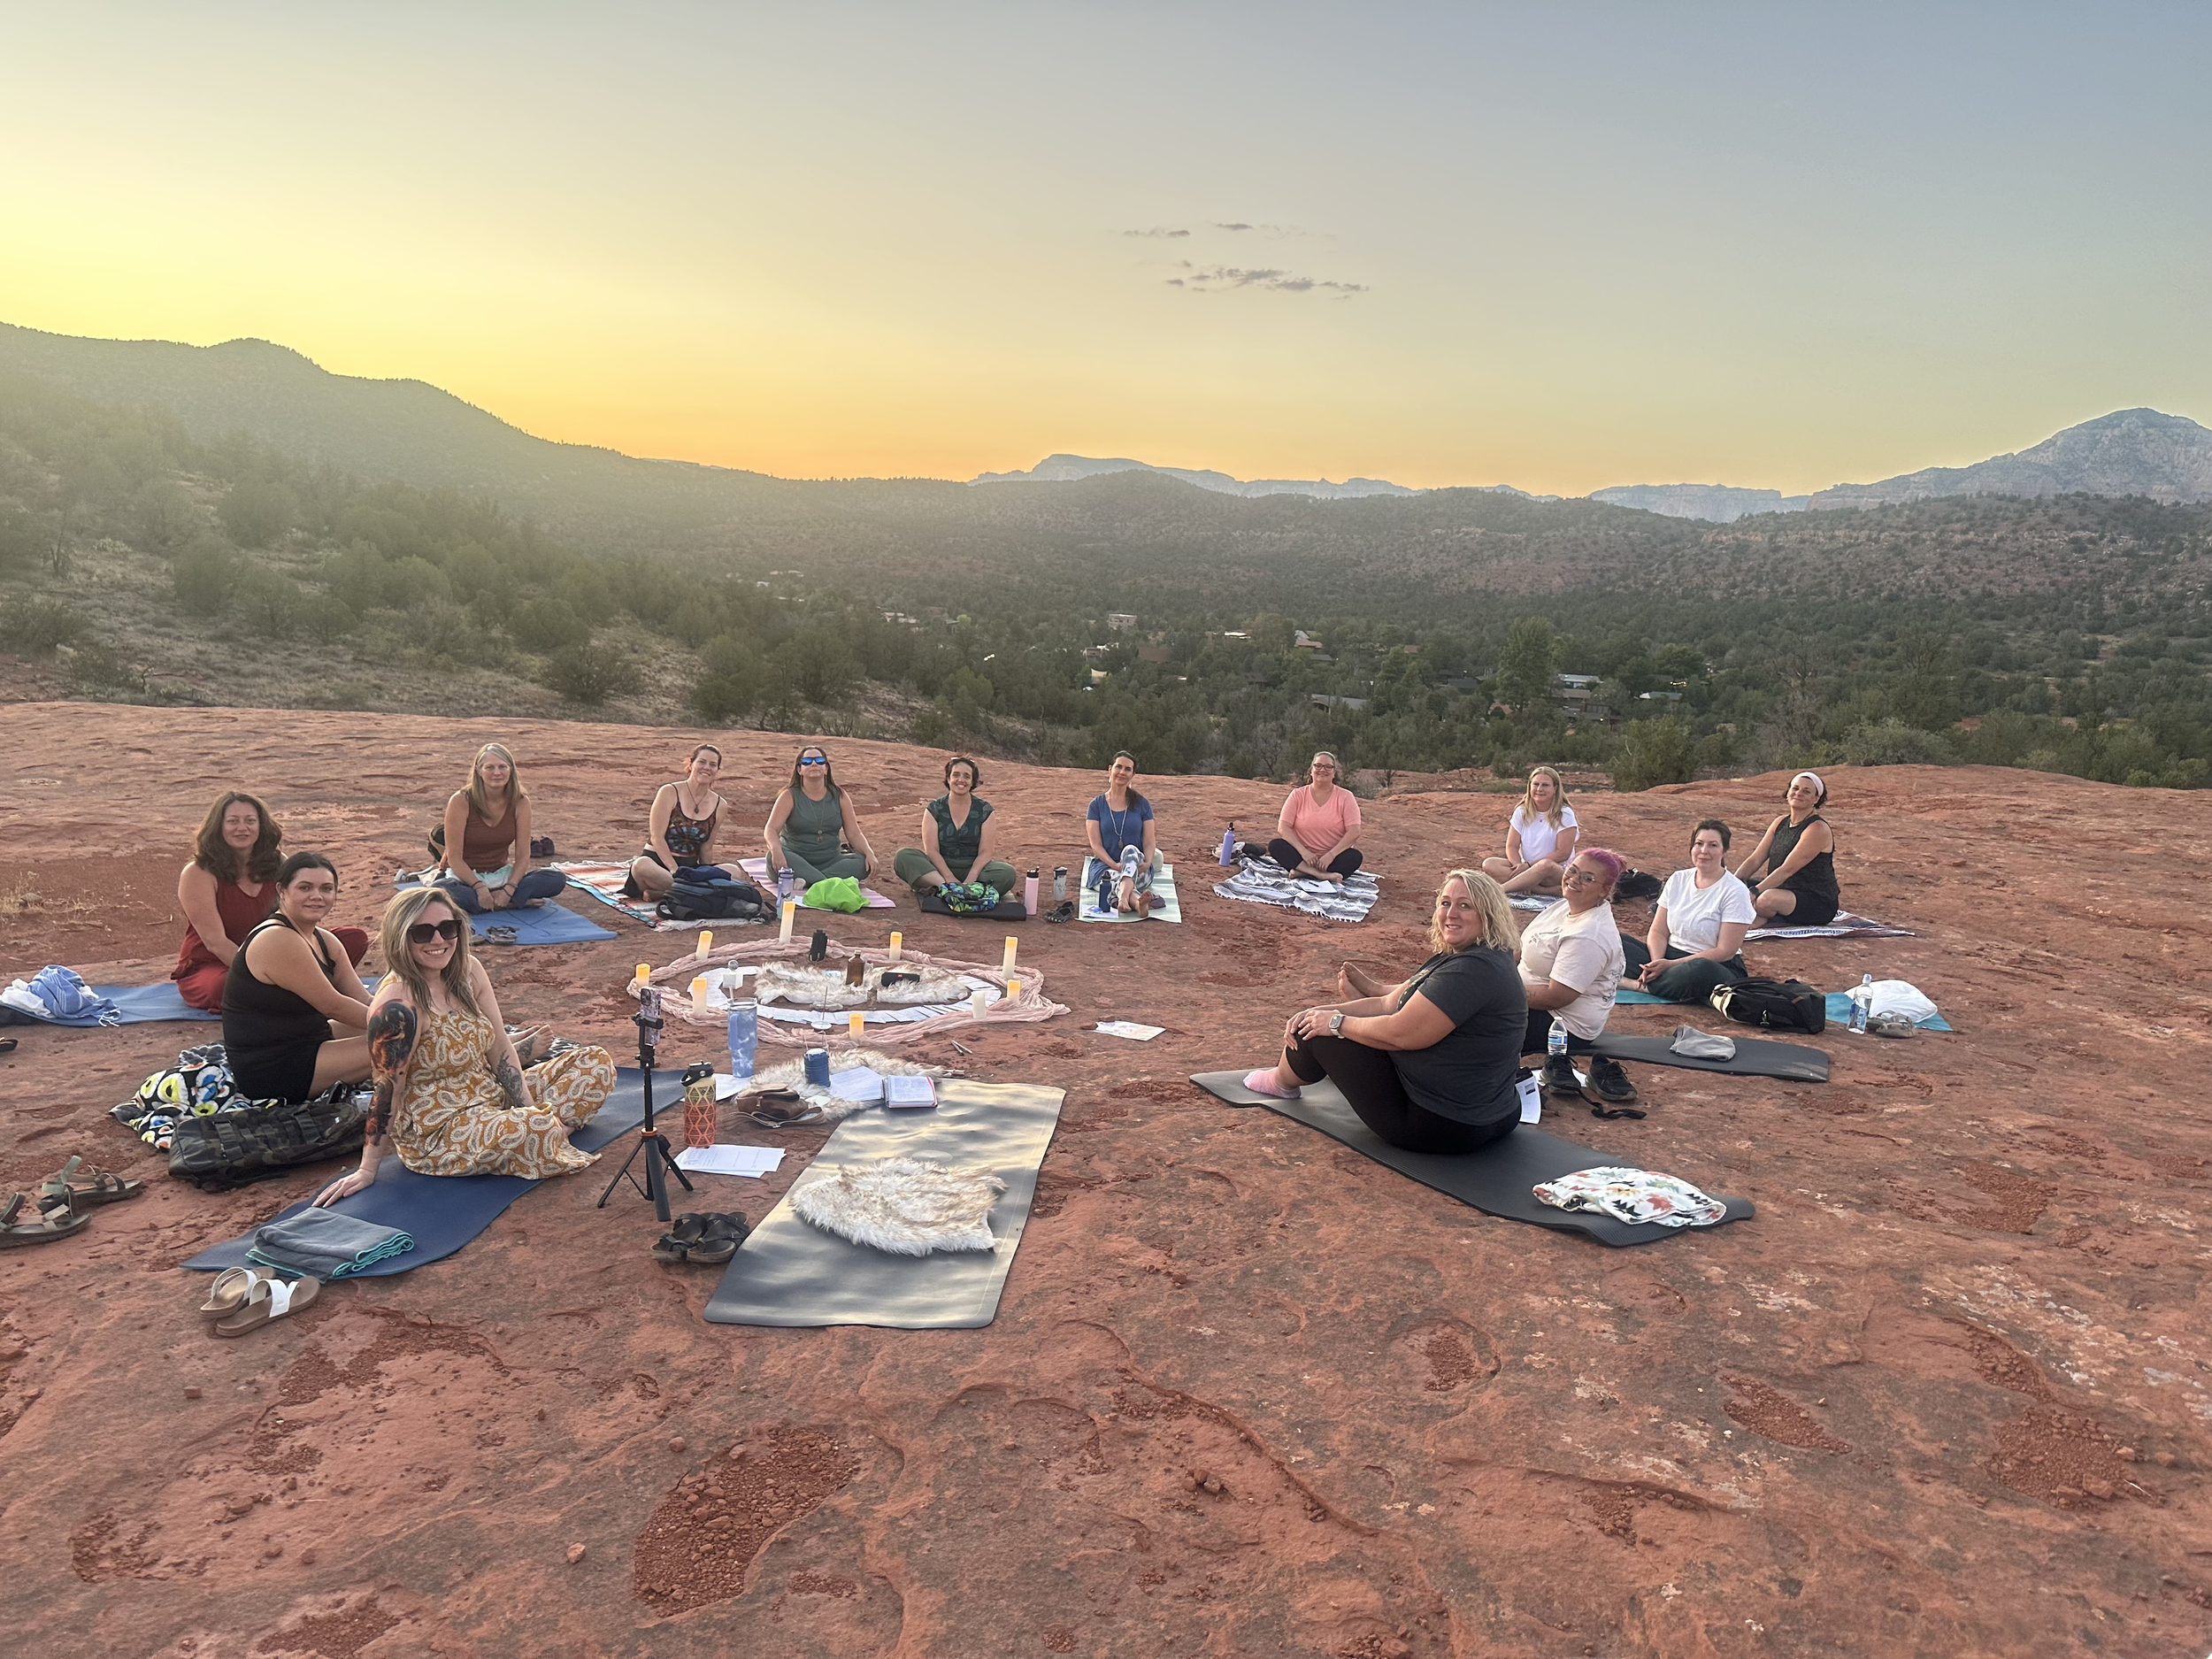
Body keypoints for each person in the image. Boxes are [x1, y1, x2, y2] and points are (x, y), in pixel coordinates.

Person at [312, 886, 615, 1203]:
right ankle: (547, 1132)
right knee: (536, 1127)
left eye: (448, 928)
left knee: (594, 1062)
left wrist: (528, 1106)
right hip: (439, 1127)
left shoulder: (469, 971)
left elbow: (499, 1047)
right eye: (423, 933)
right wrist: (367, 1169)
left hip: (490, 1095)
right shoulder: (398, 1007)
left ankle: (546, 1133)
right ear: (400, 937)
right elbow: (388, 1091)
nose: (438, 940)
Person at [1243, 869, 1526, 1153]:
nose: (1451, 913)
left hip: (1440, 1123)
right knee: (1323, 1021)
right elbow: (1388, 1003)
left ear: (1489, 913)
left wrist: (1335, 1023)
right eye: (1445, 903)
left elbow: (1400, 1035)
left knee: (1317, 1036)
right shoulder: (1479, 954)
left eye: (1465, 905)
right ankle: (1316, 1048)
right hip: (1498, 1114)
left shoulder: (1470, 970)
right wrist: (1320, 1011)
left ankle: (1280, 1083)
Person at [174, 791, 368, 1012]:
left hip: (278, 956)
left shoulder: (279, 863)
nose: (242, 828)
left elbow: (296, 920)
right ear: (218, 827)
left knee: (351, 939)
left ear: (261, 826)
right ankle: (302, 989)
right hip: (218, 965)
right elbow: (215, 942)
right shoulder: (198, 873)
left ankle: (295, 990)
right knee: (224, 987)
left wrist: (291, 962)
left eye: (250, 821)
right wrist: (259, 974)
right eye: (232, 821)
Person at [222, 853, 373, 1102]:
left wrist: (411, 1013)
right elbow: (332, 1005)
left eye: (326, 888)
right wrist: (400, 1025)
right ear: (282, 890)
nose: (317, 896)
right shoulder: (277, 939)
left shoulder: (325, 941)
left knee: (406, 1025)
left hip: (309, 1040)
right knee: (400, 1044)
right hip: (273, 1068)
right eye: (305, 887)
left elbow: (362, 999)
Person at [1516, 848, 1634, 1107]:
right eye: (1573, 871)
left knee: (1466, 1018)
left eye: (1588, 878)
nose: (1574, 879)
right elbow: (1520, 951)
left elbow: (1557, 997)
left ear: (1604, 890)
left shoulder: (1589, 934)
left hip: (1562, 1025)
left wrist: (1498, 992)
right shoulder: (1563, 907)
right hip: (1526, 998)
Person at [1624, 819, 1755, 1003]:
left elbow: (1725, 951)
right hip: (1667, 956)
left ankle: (1638, 986)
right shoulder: (1678, 879)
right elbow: (1658, 931)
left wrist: (1670, 965)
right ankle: (1657, 982)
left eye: (1713, 845)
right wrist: (1655, 963)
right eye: (1699, 844)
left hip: (1710, 965)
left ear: (1724, 851)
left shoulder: (1735, 891)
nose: (1704, 851)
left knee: (1700, 969)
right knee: (1613, 940)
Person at [434, 743, 567, 914]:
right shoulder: (461, 801)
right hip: (463, 878)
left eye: (502, 767)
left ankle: (491, 903)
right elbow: (454, 858)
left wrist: (508, 890)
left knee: (556, 879)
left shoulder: (520, 802)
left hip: (501, 876)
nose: (497, 773)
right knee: (441, 891)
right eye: (489, 767)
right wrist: (479, 888)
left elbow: (523, 856)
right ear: (478, 771)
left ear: (511, 770)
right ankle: (512, 903)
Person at [893, 755, 1021, 899]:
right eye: (956, 775)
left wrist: (971, 878)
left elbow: (985, 852)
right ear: (948, 779)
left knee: (1007, 873)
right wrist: (949, 879)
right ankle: (949, 889)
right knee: (903, 856)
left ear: (972, 782)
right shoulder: (934, 808)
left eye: (967, 776)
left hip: (974, 869)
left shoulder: (984, 810)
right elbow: (932, 850)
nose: (961, 780)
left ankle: (957, 890)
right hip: (939, 869)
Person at [763, 744, 878, 892]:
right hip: (797, 860)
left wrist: (869, 853)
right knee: (771, 857)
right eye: (807, 762)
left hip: (831, 861)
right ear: (799, 770)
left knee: (863, 863)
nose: (814, 764)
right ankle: (830, 882)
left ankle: (810, 881)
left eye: (819, 760)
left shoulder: (839, 795)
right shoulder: (789, 796)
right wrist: (776, 850)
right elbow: (771, 829)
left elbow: (854, 833)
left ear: (826, 768)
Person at [1734, 772, 1840, 926]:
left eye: (1806, 791)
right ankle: (1761, 916)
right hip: (1783, 889)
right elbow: (1755, 858)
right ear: (1788, 792)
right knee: (1735, 885)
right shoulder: (1780, 822)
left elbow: (1787, 869)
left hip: (1816, 901)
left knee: (1765, 899)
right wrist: (1733, 882)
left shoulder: (1817, 829)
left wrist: (1754, 892)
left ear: (1816, 799)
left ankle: (1762, 917)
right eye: (1795, 788)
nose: (1798, 793)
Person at [628, 745, 730, 902]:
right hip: (658, 865)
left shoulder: (720, 805)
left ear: (717, 770)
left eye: (712, 765)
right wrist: (674, 870)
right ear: (691, 764)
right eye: (702, 762)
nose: (706, 768)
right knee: (641, 865)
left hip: (690, 870)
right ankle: (696, 892)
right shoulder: (669, 792)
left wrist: (706, 873)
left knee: (734, 872)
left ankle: (668, 893)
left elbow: (707, 847)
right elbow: (657, 838)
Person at [1480, 765, 1580, 896]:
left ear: (1555, 789)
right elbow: (1512, 846)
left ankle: (1499, 891)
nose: (1539, 789)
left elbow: (1562, 853)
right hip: (1526, 866)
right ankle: (1539, 890)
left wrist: (1529, 866)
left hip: (1555, 871)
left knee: (1545, 865)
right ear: (1530, 787)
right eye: (1536, 784)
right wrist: (1520, 868)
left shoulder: (1565, 814)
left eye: (1545, 785)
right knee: (1490, 864)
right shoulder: (1521, 811)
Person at [1084, 750, 1162, 915]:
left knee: (1131, 850)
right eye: (1118, 767)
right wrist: (1116, 866)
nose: (1122, 772)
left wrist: (1147, 863)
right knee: (1111, 879)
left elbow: (1149, 841)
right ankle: (1135, 902)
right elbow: (1096, 845)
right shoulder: (1096, 805)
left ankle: (1122, 899)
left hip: (1138, 869)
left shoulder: (1142, 804)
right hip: (1105, 868)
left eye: (1127, 769)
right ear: (1110, 769)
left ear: (1133, 775)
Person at [1268, 751, 1363, 882]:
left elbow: (1354, 831)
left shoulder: (1346, 797)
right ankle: (1321, 875)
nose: (1322, 770)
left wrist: (1330, 855)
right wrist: (1304, 852)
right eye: (1318, 766)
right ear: (1311, 770)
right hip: (1303, 857)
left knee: (1354, 857)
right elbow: (1283, 827)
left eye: (1328, 767)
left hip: (1332, 859)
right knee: (1276, 845)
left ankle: (1303, 873)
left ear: (1334, 772)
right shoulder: (1298, 795)